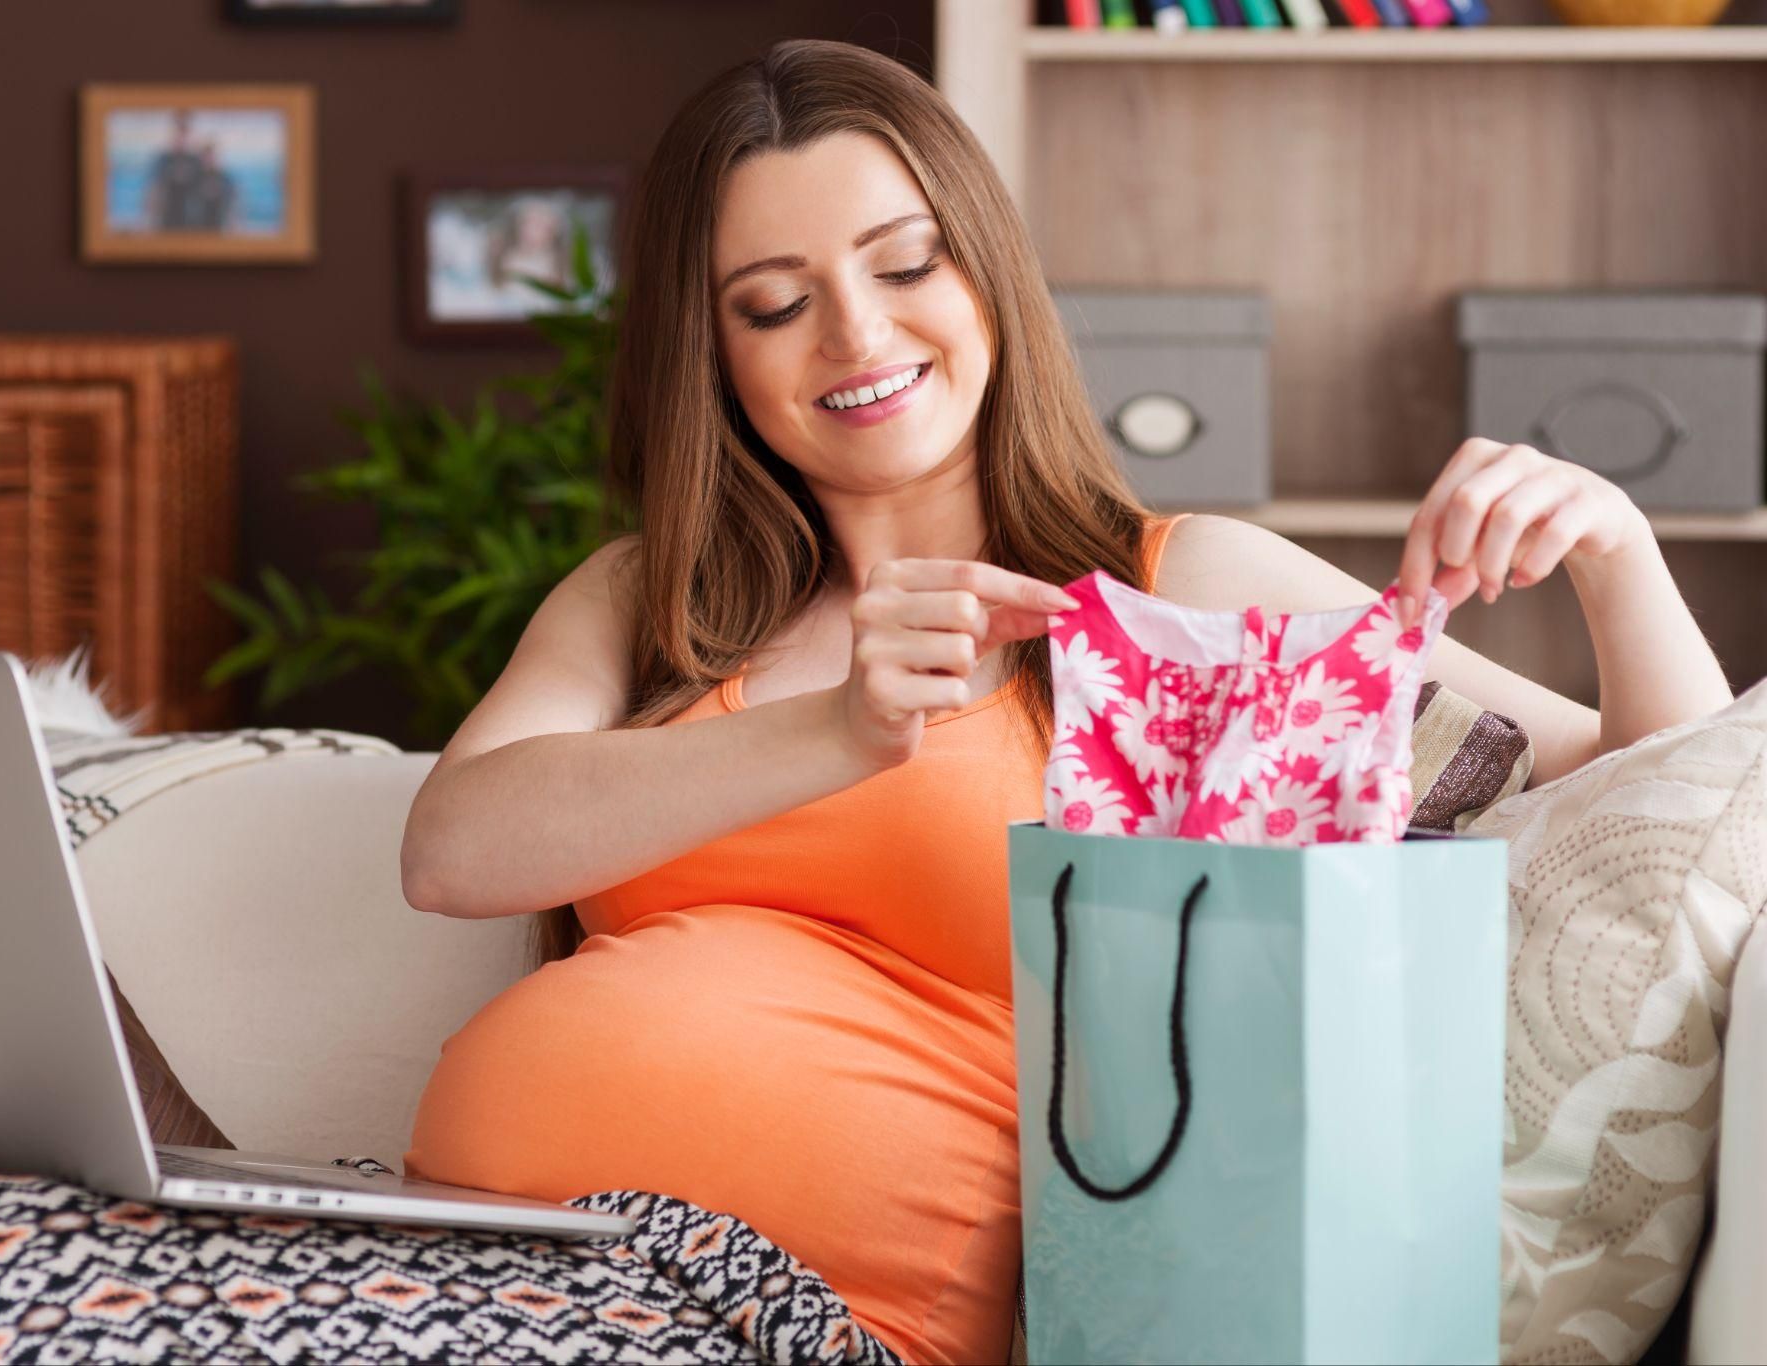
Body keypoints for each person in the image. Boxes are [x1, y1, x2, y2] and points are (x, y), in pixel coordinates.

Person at [397, 39, 1733, 1365]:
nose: (857, 334)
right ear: (714, 355)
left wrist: (1618, 559)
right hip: (450, 1256)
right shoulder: (648, 598)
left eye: (906, 262)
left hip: (787, 1318)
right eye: (771, 302)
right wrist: (835, 730)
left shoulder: (1180, 589)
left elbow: (1657, 804)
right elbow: (453, 849)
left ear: (986, 268)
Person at [143, 109, 208, 231]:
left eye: (185, 131)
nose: (181, 136)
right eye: (178, 130)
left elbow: (204, 193)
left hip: (190, 223)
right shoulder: (163, 159)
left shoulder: (196, 161)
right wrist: (149, 219)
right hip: (165, 221)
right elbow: (152, 191)